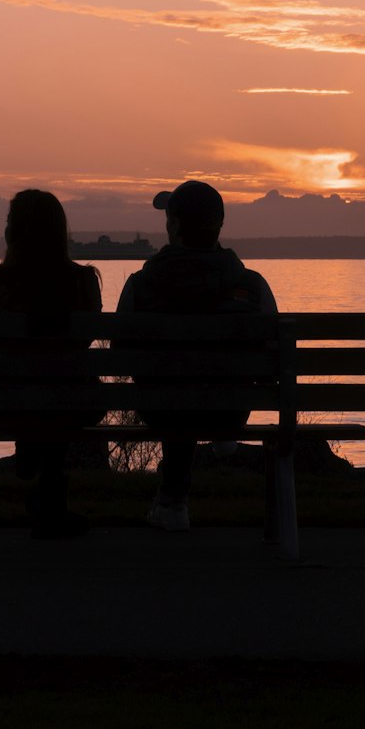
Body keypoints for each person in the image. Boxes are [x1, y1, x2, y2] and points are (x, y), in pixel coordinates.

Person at [115, 179, 277, 533]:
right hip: (229, 407)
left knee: (175, 392)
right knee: (200, 389)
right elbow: (273, 357)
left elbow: (120, 356)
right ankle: (220, 441)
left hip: (160, 408)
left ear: (173, 226)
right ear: (219, 225)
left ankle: (172, 503)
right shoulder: (252, 286)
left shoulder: (140, 285)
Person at [0, 189, 102, 539]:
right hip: (70, 405)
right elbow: (82, 343)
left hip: (5, 406)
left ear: (15, 232)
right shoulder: (83, 281)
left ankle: (29, 448)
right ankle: (51, 500)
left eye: (9, 221)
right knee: (59, 390)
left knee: (33, 392)